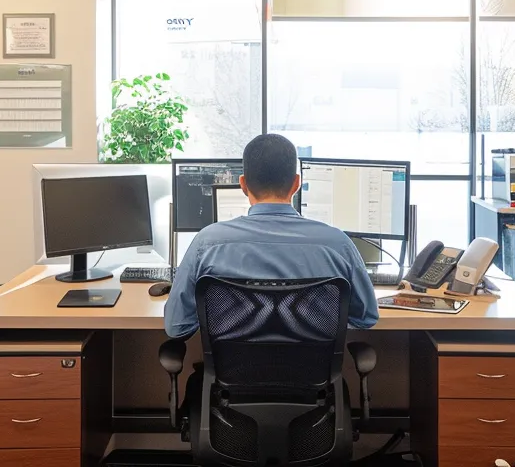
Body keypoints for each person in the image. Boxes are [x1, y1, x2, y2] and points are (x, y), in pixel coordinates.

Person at [163, 134, 380, 338]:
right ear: (296, 184)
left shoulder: (207, 244)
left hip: (237, 366)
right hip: (311, 367)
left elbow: (176, 326)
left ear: (243, 185)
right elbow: (366, 317)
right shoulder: (338, 244)